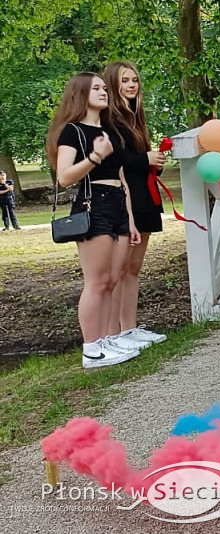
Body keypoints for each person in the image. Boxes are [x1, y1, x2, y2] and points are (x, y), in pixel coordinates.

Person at [45, 72, 147, 368]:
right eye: (97, 89)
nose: (104, 92)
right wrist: (95, 157)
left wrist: (130, 219)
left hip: (117, 203)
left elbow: (121, 177)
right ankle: (91, 348)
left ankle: (105, 341)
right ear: (80, 94)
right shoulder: (72, 132)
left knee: (113, 279)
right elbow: (64, 177)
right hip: (93, 204)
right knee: (97, 281)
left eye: (104, 88)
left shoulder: (109, 130)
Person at [101, 61, 168, 347]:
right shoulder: (109, 120)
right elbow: (115, 159)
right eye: (124, 80)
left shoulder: (135, 116)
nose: (131, 85)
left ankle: (129, 327)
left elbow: (138, 156)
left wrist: (155, 161)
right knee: (121, 266)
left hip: (145, 192)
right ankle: (115, 331)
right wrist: (145, 160)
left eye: (135, 80)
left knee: (135, 266)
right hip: (125, 196)